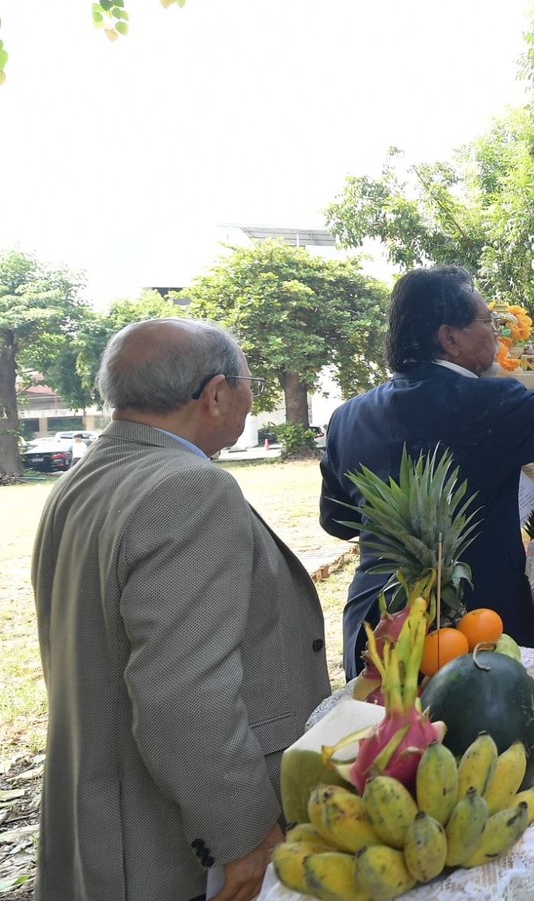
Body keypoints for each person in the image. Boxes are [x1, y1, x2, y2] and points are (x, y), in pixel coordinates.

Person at [32, 318, 330, 901]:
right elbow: (184, 692)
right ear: (216, 394)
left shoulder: (83, 479)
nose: (250, 397)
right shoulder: (190, 488)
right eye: (248, 384)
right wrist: (243, 834)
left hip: (101, 821)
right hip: (166, 850)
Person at [322, 265, 534, 673]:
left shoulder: (346, 417)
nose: (497, 334)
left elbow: (336, 521)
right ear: (450, 338)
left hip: (378, 626)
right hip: (476, 627)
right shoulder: (490, 402)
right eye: (488, 322)